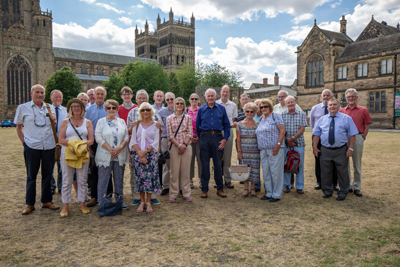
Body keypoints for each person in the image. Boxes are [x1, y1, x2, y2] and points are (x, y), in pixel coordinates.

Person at [14, 84, 60, 215]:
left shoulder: (50, 107)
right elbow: (18, 127)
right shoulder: (23, 108)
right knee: (31, 176)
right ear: (31, 94)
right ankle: (30, 204)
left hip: (49, 146)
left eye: (42, 92)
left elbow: (53, 126)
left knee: (47, 175)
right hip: (32, 147)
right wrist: (25, 143)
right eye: (37, 92)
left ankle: (46, 201)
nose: (40, 94)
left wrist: (54, 120)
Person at [313, 99, 358, 201]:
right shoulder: (322, 119)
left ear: (339, 106)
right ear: (327, 107)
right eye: (330, 105)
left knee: (342, 172)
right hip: (325, 150)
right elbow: (316, 134)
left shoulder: (347, 119)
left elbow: (352, 135)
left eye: (334, 105)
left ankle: (343, 192)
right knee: (325, 172)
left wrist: (350, 148)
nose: (332, 107)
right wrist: (315, 147)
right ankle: (327, 191)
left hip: (341, 150)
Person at [58, 99, 94, 217]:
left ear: (82, 108)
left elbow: (91, 140)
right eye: (74, 106)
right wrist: (73, 145)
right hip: (67, 153)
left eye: (78, 106)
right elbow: (61, 139)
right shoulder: (65, 122)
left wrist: (79, 147)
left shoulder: (87, 122)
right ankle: (65, 205)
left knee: (82, 180)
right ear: (70, 108)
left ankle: (82, 204)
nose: (76, 108)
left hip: (82, 153)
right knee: (67, 180)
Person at [127, 89, 162, 206]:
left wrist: (146, 152)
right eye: (143, 110)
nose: (145, 111)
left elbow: (158, 135)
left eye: (147, 109)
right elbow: (132, 139)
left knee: (151, 177)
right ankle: (140, 200)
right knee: (139, 177)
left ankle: (149, 200)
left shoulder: (155, 119)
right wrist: (140, 154)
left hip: (150, 154)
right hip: (138, 154)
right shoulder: (135, 121)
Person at [95, 100, 130, 209]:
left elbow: (126, 136)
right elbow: (98, 137)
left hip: (119, 155)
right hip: (105, 155)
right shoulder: (101, 122)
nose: (111, 110)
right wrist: (111, 149)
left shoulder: (121, 122)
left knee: (119, 180)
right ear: (106, 109)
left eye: (113, 108)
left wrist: (119, 148)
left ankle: (119, 201)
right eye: (109, 108)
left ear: (116, 109)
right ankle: (101, 202)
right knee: (103, 180)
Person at [196, 88, 230, 198]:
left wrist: (225, 139)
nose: (210, 98)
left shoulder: (221, 109)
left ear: (215, 96)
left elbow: (227, 125)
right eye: (208, 96)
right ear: (205, 97)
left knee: (217, 164)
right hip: (205, 138)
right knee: (204, 165)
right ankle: (204, 189)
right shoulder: (201, 109)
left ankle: (220, 188)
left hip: (217, 138)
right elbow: (197, 127)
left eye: (212, 95)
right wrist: (202, 138)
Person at [84, 86, 116, 207]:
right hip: (94, 144)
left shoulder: (109, 109)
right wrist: (90, 145)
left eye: (102, 94)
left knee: (107, 169)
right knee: (94, 170)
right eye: (97, 94)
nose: (100, 96)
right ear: (93, 95)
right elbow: (85, 128)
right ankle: (94, 196)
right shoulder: (88, 110)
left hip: (107, 144)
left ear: (105, 95)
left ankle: (108, 195)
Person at [339, 88, 372, 197]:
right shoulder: (341, 111)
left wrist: (363, 137)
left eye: (353, 96)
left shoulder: (363, 110)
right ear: (345, 98)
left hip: (357, 137)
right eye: (348, 97)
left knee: (356, 164)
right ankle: (347, 186)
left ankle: (357, 186)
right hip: (344, 138)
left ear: (356, 97)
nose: (351, 98)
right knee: (345, 164)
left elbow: (366, 125)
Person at [256, 99, 285, 202]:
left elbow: (282, 131)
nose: (263, 108)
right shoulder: (261, 119)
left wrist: (278, 145)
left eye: (265, 106)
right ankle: (269, 192)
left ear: (270, 107)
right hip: (263, 149)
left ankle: (276, 194)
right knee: (266, 172)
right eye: (261, 107)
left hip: (274, 149)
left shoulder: (275, 116)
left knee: (276, 172)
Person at [310, 89, 339, 191]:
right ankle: (320, 182)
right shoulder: (315, 108)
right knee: (318, 160)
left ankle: (334, 183)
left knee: (334, 161)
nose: (326, 97)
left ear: (331, 96)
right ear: (321, 97)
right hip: (318, 138)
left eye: (328, 95)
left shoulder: (335, 108)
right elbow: (312, 124)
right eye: (324, 95)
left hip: (332, 137)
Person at [167, 97, 193, 202]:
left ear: (183, 106)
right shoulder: (169, 118)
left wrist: (184, 145)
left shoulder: (188, 118)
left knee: (185, 171)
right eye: (177, 103)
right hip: (174, 147)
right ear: (174, 105)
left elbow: (189, 132)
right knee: (174, 172)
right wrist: (178, 146)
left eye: (181, 103)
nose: (179, 105)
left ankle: (186, 192)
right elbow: (170, 135)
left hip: (186, 147)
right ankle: (173, 193)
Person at [281, 96, 308, 194]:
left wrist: (293, 138)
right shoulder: (282, 115)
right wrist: (287, 140)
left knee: (299, 166)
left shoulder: (301, 114)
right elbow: (281, 129)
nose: (290, 104)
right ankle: (287, 185)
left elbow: (302, 128)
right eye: (288, 102)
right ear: (285, 104)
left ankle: (300, 186)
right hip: (286, 144)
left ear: (295, 103)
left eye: (292, 102)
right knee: (286, 165)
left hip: (299, 144)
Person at [236, 102, 260, 198]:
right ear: (245, 112)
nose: (249, 113)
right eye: (247, 111)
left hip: (255, 151)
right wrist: (239, 151)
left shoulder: (258, 124)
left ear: (255, 112)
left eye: (252, 111)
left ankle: (253, 189)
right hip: (244, 151)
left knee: (254, 170)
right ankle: (246, 189)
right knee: (244, 170)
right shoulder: (239, 124)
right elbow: (238, 139)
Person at [216, 85, 238, 189]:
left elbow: (232, 120)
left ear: (229, 93)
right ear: (220, 92)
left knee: (227, 156)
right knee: (217, 157)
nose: (225, 93)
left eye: (227, 92)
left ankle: (228, 180)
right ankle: (218, 180)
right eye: (223, 91)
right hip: (217, 131)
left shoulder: (233, 105)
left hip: (228, 130)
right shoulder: (215, 103)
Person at [50, 90, 68, 195]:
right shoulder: (47, 110)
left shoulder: (66, 111)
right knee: (50, 167)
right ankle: (52, 186)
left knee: (62, 167)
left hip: (62, 143)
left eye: (60, 97)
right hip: (50, 142)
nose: (58, 99)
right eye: (56, 97)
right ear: (51, 98)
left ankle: (61, 187)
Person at [158, 92, 176, 196]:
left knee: (177, 164)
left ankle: (176, 185)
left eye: (171, 99)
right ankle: (166, 186)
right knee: (166, 164)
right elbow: (159, 128)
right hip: (165, 139)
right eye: (168, 99)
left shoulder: (179, 109)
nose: (170, 101)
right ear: (165, 100)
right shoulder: (161, 112)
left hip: (177, 140)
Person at [187, 93, 201, 189]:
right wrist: (190, 137)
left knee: (201, 160)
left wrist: (199, 136)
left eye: (196, 99)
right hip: (189, 139)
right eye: (192, 98)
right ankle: (190, 179)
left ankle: (201, 179)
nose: (194, 100)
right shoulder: (186, 111)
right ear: (190, 100)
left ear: (198, 100)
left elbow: (203, 123)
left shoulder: (201, 110)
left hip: (200, 139)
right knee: (190, 160)